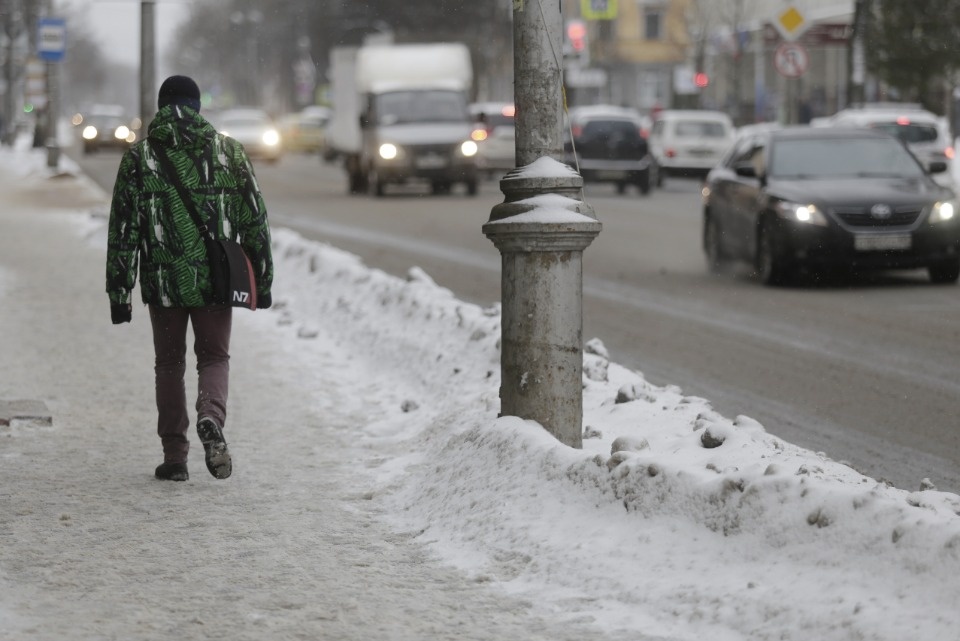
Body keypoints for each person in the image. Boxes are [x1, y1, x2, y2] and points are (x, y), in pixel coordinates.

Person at [105, 75, 273, 482]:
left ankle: (175, 456)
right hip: (215, 279)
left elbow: (123, 229)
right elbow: (255, 219)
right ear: (198, 107)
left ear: (161, 107)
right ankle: (210, 415)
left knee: (169, 364)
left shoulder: (139, 157)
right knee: (214, 357)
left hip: (164, 283)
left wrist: (119, 290)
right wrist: (262, 281)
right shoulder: (229, 151)